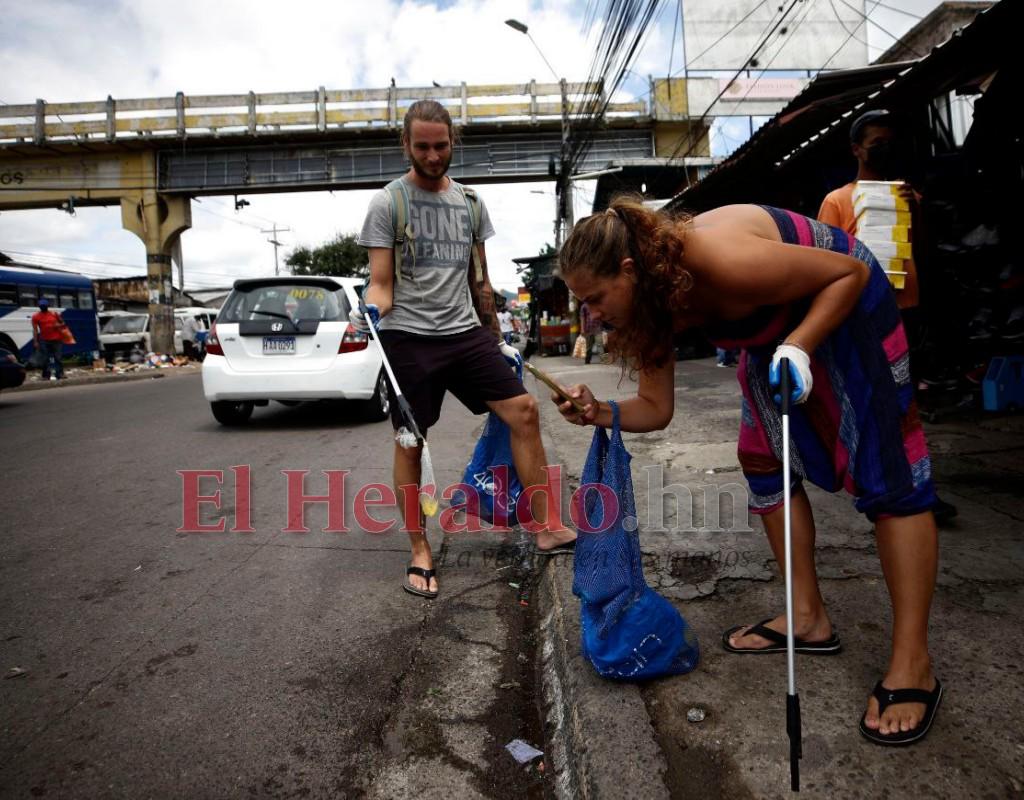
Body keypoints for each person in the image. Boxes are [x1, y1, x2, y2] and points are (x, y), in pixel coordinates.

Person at [552, 197, 942, 746]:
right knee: (763, 460)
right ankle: (806, 618)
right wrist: (599, 412)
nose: (590, 315)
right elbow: (656, 409)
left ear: (629, 271)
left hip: (845, 307)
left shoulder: (717, 259)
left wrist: (800, 346)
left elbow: (848, 272)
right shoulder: (652, 307)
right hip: (773, 336)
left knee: (889, 475)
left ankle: (913, 660)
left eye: (594, 299)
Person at [354, 100, 576, 599]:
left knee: (522, 410)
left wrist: (496, 336)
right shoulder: (388, 204)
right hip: (407, 335)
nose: (433, 156)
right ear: (406, 145)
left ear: (454, 142)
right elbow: (382, 283)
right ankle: (420, 549)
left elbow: (480, 280)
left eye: (441, 145)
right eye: (423, 146)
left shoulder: (472, 204)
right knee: (411, 440)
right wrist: (373, 309)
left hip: (464, 332)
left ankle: (547, 526)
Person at [820, 110, 958, 524]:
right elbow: (826, 259)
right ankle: (891, 485)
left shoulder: (906, 197)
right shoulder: (838, 200)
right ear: (856, 149)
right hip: (863, 313)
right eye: (875, 140)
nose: (883, 147)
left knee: (904, 401)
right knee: (877, 399)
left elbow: (923, 252)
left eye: (888, 140)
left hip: (907, 309)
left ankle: (908, 486)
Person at [31, 298, 66, 381]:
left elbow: (63, 323)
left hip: (57, 340)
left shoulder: (54, 314)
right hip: (44, 340)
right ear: (39, 307)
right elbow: (35, 330)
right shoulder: (35, 317)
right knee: (45, 358)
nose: (43, 307)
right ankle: (46, 375)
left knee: (58, 357)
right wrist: (35, 341)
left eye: (45, 306)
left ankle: (60, 374)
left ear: (47, 306)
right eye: (42, 306)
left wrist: (58, 325)